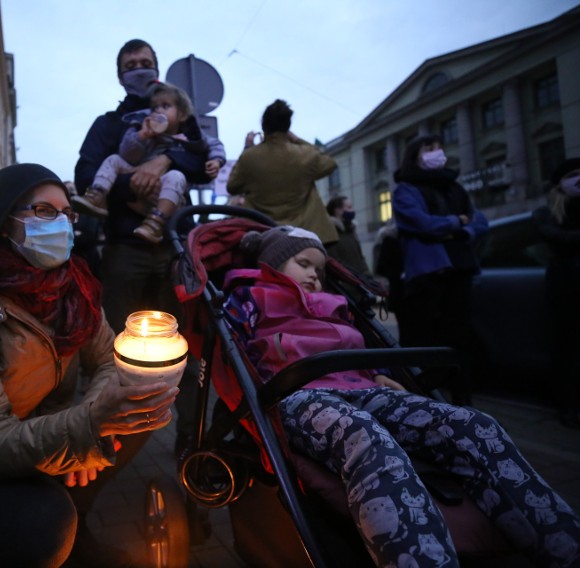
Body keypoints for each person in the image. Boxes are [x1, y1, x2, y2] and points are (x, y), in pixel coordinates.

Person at [223, 225, 580, 568]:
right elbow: (232, 349)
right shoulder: (251, 295)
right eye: (304, 264)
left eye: (319, 268)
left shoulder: (336, 303)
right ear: (269, 264)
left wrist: (384, 373)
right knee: (365, 437)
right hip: (299, 394)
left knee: (471, 424)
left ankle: (564, 548)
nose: (315, 275)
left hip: (363, 386)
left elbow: (364, 346)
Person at [0, 163, 179, 567]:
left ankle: (79, 531)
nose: (61, 223)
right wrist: (87, 428)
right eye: (44, 211)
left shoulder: (74, 292)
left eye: (66, 213)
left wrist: (91, 425)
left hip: (34, 442)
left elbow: (109, 361)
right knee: (43, 527)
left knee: (140, 417)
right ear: (4, 224)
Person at [74, 39, 210, 458]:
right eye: (130, 64)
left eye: (146, 63)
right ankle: (115, 437)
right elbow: (84, 175)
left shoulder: (178, 118)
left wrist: (164, 163)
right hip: (125, 247)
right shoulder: (108, 123)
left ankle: (190, 442)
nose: (139, 68)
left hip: (172, 247)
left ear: (157, 68)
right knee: (119, 345)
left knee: (183, 344)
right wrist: (132, 183)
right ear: (120, 74)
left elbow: (202, 160)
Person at [391, 134, 488, 406]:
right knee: (426, 338)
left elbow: (480, 222)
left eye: (439, 147)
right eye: (429, 148)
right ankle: (425, 400)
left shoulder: (454, 187)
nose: (437, 152)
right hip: (428, 274)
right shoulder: (406, 189)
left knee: (460, 337)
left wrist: (461, 230)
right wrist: (456, 221)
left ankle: (462, 399)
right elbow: (422, 224)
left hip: (460, 267)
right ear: (415, 155)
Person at [72, 81, 225, 243]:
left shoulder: (188, 139)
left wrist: (216, 160)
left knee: (176, 176)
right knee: (113, 160)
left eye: (165, 106)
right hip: (135, 195)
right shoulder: (141, 130)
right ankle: (97, 196)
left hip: (166, 199)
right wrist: (141, 136)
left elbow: (214, 144)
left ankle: (155, 224)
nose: (158, 111)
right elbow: (126, 155)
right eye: (154, 108)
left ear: (182, 115)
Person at [226, 99, 338, 245]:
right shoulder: (305, 154)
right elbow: (330, 163)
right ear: (288, 126)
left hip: (264, 234)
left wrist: (247, 149)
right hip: (305, 234)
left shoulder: (250, 157)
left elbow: (232, 186)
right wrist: (297, 140)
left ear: (264, 126)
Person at [532, 157, 580, 429]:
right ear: (559, 183)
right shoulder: (546, 213)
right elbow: (556, 238)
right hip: (567, 287)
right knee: (567, 349)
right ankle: (568, 405)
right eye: (573, 174)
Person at [326, 195, 371, 275]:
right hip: (346, 282)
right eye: (349, 207)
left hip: (359, 281)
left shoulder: (351, 231)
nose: (352, 210)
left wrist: (367, 275)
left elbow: (360, 258)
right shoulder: (330, 232)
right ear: (338, 210)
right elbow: (334, 262)